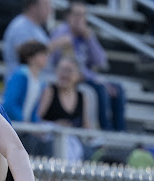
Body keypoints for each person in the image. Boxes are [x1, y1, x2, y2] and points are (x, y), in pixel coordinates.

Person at [49, 1, 126, 132]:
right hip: (69, 78)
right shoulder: (61, 33)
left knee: (118, 88)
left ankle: (121, 131)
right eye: (77, 15)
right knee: (101, 88)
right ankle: (105, 131)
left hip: (87, 77)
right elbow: (71, 66)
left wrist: (90, 39)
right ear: (68, 16)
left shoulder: (86, 35)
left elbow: (101, 61)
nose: (80, 19)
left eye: (83, 15)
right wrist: (97, 80)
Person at [2, 40, 53, 156]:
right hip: (15, 127)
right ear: (30, 58)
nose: (46, 58)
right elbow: (10, 103)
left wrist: (35, 125)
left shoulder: (38, 80)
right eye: (42, 54)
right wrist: (23, 121)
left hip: (25, 128)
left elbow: (33, 109)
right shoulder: (20, 75)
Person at [38, 54, 93, 161]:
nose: (64, 74)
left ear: (78, 76)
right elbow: (37, 120)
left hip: (74, 145)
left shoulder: (82, 96)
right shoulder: (50, 91)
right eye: (61, 69)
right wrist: (55, 125)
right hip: (50, 144)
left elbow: (87, 125)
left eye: (69, 70)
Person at [1, 0, 70, 80]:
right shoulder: (21, 27)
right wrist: (57, 44)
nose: (50, 10)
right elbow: (27, 55)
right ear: (33, 7)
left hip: (37, 80)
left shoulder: (37, 27)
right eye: (46, 5)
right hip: (23, 83)